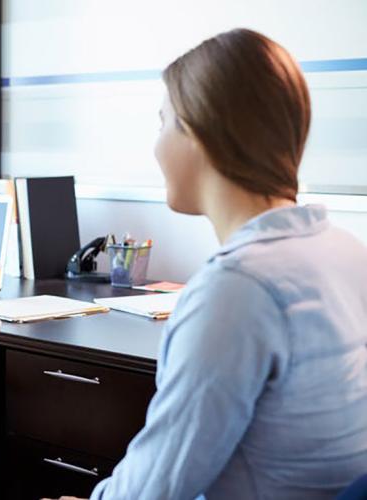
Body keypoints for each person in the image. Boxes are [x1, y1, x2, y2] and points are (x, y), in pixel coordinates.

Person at [48, 28, 367, 500]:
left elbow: (159, 486)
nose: (156, 147)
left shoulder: (238, 288)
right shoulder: (346, 251)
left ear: (202, 132)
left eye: (163, 123)